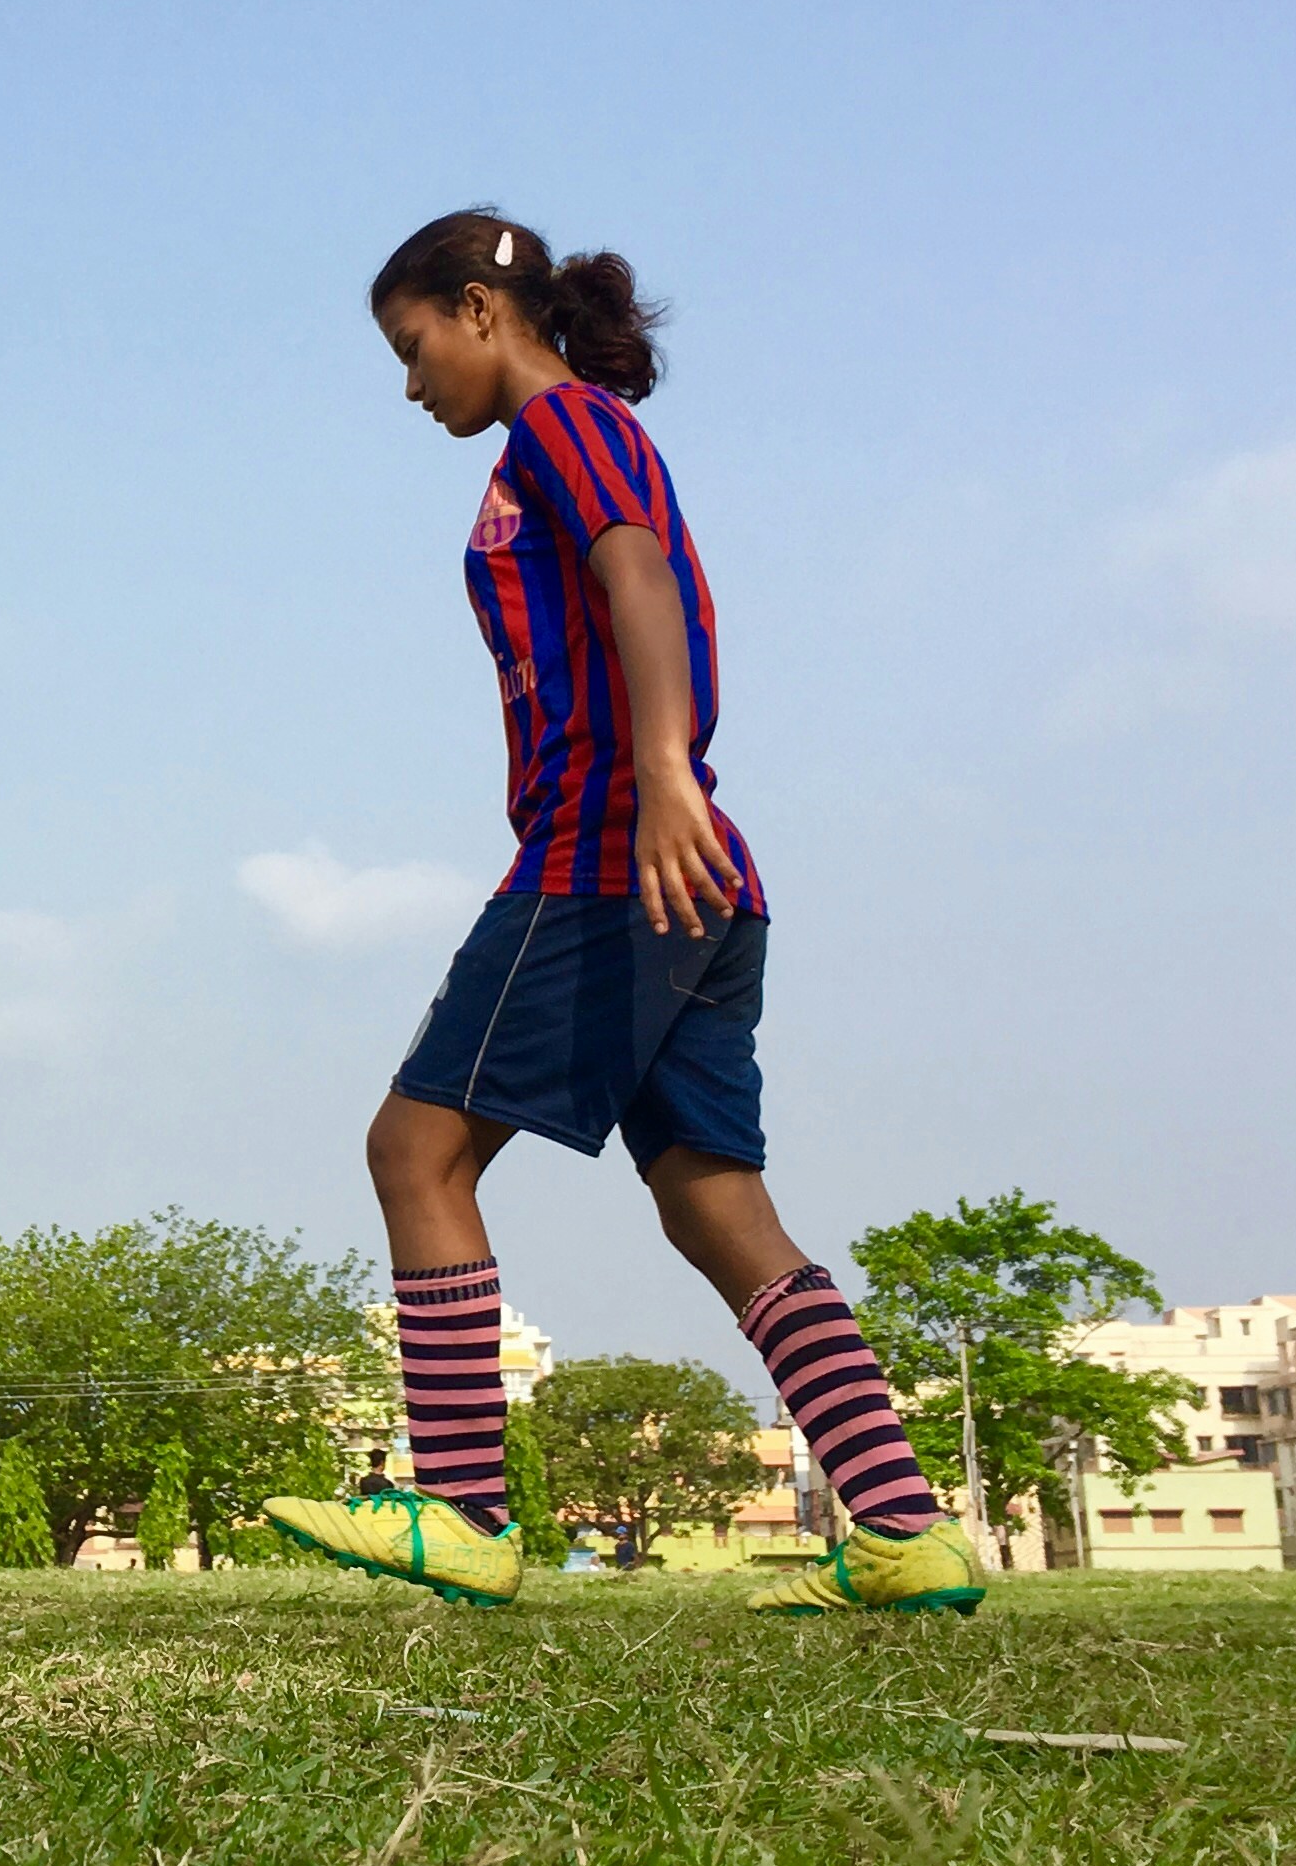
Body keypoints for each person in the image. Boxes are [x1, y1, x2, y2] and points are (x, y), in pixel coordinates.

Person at [264, 214, 981, 1619]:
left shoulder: (564, 425)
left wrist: (659, 775)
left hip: (613, 856)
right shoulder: (559, 438)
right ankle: (906, 1530)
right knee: (717, 1206)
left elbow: (636, 569)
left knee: (415, 1150)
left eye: (413, 345)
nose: (410, 382)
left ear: (481, 310)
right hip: (694, 878)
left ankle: (462, 1514)